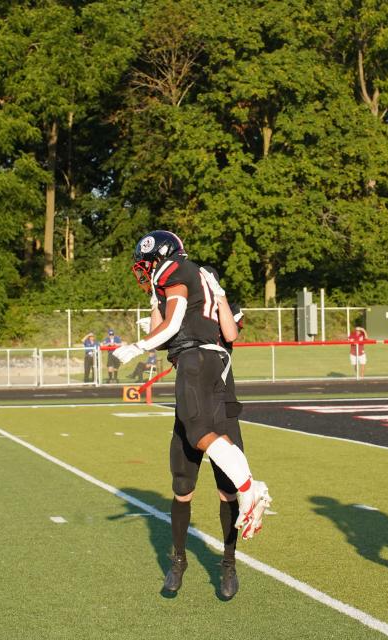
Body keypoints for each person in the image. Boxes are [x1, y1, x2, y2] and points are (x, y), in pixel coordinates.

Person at [112, 230, 271, 599]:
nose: (147, 271)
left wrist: (135, 347)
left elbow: (171, 326)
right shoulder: (205, 278)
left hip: (195, 364)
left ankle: (251, 490)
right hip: (221, 370)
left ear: (162, 257)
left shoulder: (174, 270)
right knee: (195, 484)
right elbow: (230, 331)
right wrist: (157, 304)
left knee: (198, 443)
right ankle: (201, 560)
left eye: (148, 264)